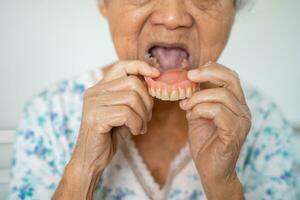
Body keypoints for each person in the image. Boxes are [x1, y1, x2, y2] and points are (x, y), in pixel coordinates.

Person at [10, 0, 297, 199]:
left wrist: (223, 186)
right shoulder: (49, 114)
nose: (173, 18)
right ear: (104, 4)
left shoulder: (265, 122)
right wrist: (83, 169)